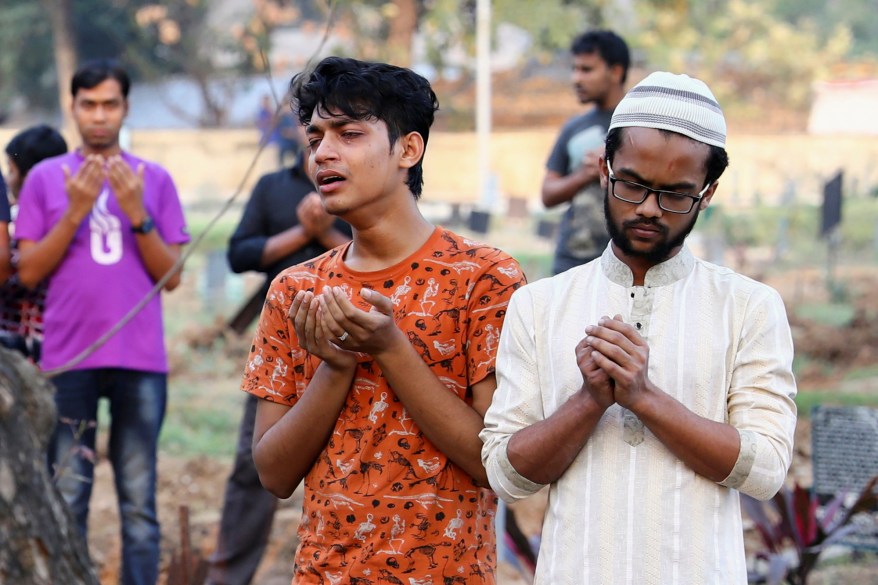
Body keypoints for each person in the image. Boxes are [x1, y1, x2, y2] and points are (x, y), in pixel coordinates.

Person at [481, 72, 798, 584]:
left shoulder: (750, 307)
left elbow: (765, 470)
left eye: (675, 195)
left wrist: (644, 396)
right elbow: (505, 474)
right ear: (605, 171)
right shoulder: (539, 305)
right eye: (632, 184)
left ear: (708, 192)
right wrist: (589, 400)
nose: (648, 208)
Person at [243, 56, 525, 583]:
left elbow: (497, 464)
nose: (324, 152)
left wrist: (391, 348)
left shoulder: (484, 279)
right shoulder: (297, 291)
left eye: (349, 134)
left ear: (408, 150)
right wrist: (335, 367)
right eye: (314, 138)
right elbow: (273, 473)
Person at [15, 59, 190, 585]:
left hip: (141, 361)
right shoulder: (46, 178)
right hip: (68, 359)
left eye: (109, 104)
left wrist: (137, 211)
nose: (98, 116)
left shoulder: (153, 179)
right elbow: (29, 272)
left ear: (125, 107)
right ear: (72, 108)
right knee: (69, 492)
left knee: (138, 499)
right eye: (88, 104)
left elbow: (172, 278)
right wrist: (75, 210)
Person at [206, 128, 352, 585]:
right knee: (255, 469)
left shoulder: (363, 184)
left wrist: (324, 231)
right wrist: (300, 235)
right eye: (310, 128)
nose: (323, 144)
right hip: (282, 350)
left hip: (355, 349)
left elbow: (375, 252)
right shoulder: (273, 187)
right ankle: (230, 577)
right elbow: (240, 253)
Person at [542, 30, 630, 275]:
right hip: (573, 259)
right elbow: (548, 194)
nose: (576, 78)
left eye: (587, 70)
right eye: (575, 69)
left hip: (629, 263)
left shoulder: (641, 124)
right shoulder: (574, 128)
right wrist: (586, 173)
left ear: (616, 72)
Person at [0, 125, 69, 361]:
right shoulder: (75, 221)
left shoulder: (15, 220)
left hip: (17, 348)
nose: (8, 180)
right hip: (62, 347)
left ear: (30, 176)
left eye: (11, 170)